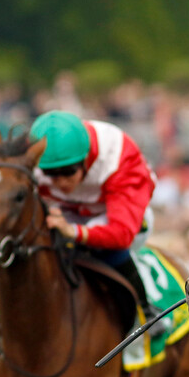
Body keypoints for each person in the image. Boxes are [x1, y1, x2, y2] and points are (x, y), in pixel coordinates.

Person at [29, 110, 169, 337]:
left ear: (86, 159)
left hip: (121, 218)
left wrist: (74, 231)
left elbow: (121, 234)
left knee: (103, 246)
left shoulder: (119, 157)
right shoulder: (33, 156)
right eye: (51, 174)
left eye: (68, 172)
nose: (61, 182)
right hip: (66, 212)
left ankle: (145, 310)